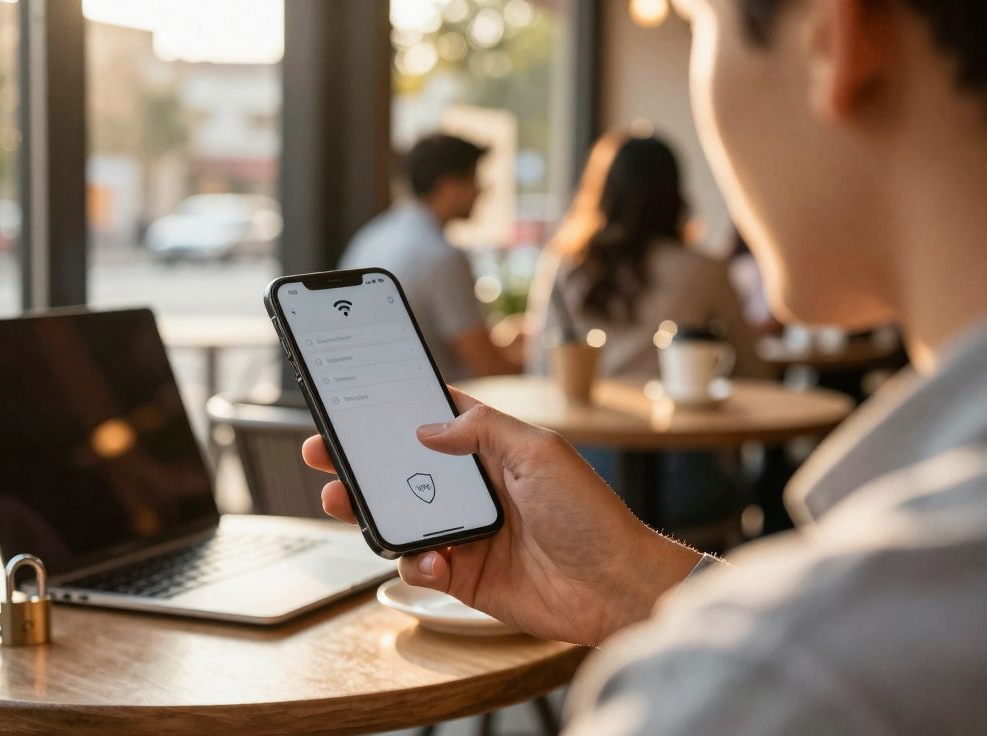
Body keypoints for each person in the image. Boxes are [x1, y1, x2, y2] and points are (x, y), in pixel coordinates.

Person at [305, 0, 987, 731]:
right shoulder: (854, 636)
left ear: (837, 39)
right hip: (692, 494)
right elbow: (755, 372)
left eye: (698, 23)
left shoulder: (772, 681)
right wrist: (633, 581)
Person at [525, 131, 765, 379]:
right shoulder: (705, 271)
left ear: (604, 193)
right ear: (674, 193)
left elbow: (543, 364)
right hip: (675, 403)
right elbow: (751, 368)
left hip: (588, 403)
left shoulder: (568, 263)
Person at [341, 133, 520, 379]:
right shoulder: (441, 257)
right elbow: (488, 367)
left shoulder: (371, 238)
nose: (480, 191)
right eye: (474, 179)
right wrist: (540, 359)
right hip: (438, 400)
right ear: (448, 186)